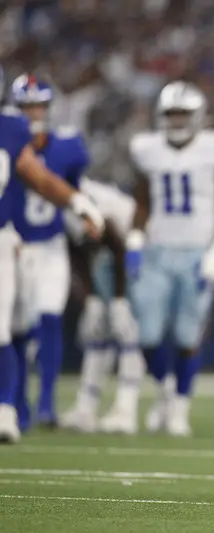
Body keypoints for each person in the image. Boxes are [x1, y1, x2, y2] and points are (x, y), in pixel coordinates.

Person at [125, 81, 214, 436]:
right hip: (158, 250)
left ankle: (179, 409)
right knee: (148, 335)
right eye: (171, 114)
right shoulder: (147, 150)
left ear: (198, 116)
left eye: (182, 114)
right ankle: (165, 392)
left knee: (189, 336)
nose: (176, 120)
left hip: (198, 252)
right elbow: (142, 201)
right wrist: (134, 239)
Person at [0, 65, 104, 443]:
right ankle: (17, 406)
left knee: (47, 317)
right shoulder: (10, 135)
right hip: (15, 244)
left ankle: (43, 403)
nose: (34, 114)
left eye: (39, 106)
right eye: (26, 107)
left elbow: (61, 185)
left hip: (49, 244)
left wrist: (82, 211)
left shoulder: (66, 145)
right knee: (15, 329)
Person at [61, 178, 144, 434]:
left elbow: (116, 242)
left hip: (132, 251)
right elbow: (78, 250)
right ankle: (86, 406)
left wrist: (118, 300)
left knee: (127, 330)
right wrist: (91, 298)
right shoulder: (59, 200)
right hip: (107, 255)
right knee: (97, 333)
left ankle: (126, 408)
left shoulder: (86, 199)